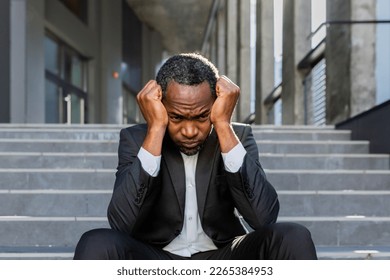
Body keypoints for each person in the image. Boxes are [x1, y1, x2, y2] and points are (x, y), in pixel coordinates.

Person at [74, 53, 317, 260]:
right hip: (156, 257)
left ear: (216, 105)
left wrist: (222, 124)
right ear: (159, 105)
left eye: (202, 117)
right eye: (177, 117)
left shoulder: (237, 136)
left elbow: (263, 218)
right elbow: (121, 222)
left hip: (223, 256)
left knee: (294, 236)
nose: (190, 131)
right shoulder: (137, 139)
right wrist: (156, 129)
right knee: (95, 242)